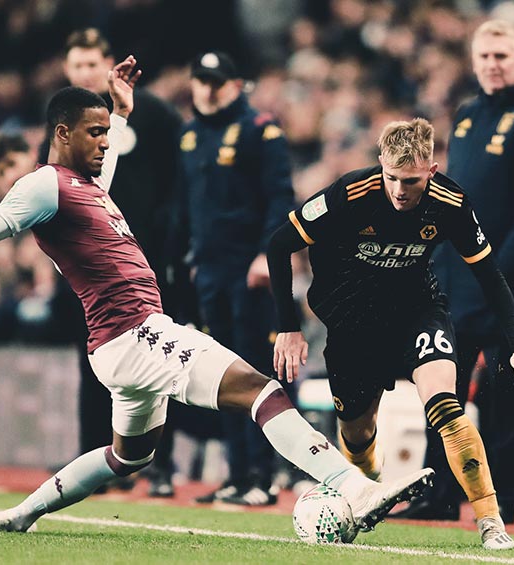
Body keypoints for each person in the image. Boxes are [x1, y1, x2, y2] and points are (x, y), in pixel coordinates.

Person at [0, 56, 432, 535]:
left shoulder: (83, 185)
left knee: (129, 458)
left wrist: (119, 111)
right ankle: (357, 488)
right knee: (261, 390)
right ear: (61, 134)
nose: (104, 143)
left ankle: (25, 512)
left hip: (117, 347)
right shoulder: (43, 184)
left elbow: (107, 162)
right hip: (135, 332)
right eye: (93, 134)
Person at [267, 118, 514, 550]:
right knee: (357, 434)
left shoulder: (451, 202)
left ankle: (491, 522)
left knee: (446, 405)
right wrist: (288, 327)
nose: (400, 190)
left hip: (417, 310)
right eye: (392, 178)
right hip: (351, 321)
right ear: (380, 164)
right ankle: (367, 487)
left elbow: (491, 276)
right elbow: (279, 243)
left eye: (411, 180)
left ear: (431, 170)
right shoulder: (350, 192)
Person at [404, 19, 514, 524]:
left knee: (504, 395)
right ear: (474, 61)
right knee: (441, 388)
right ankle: (438, 493)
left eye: (502, 55)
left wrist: (496, 266)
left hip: (510, 285)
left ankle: (500, 502)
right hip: (456, 281)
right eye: (484, 56)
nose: (492, 65)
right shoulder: (468, 115)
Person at [49, 29, 186, 497]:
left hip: (145, 262)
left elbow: (180, 184)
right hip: (87, 270)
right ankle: (96, 462)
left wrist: (171, 244)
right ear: (68, 71)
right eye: (78, 65)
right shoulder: (62, 123)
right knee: (93, 363)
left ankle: (161, 465)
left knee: (162, 361)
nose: (85, 73)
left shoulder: (157, 116)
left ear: (108, 63)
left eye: (93, 64)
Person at [178, 51, 297, 506]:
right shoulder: (189, 136)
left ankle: (264, 476)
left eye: (217, 81)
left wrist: (268, 257)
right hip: (208, 270)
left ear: (236, 84)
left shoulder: (259, 130)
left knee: (255, 371)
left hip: (248, 270)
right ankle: (236, 473)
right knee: (218, 376)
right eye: (201, 80)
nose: (208, 89)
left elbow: (279, 197)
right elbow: (186, 208)